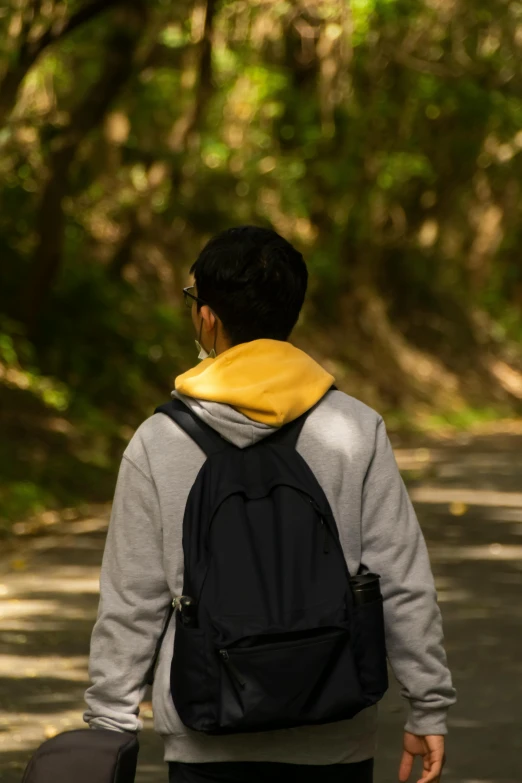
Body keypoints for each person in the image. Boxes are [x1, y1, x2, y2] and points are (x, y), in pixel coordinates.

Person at [84, 225, 456, 783]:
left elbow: (131, 601)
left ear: (207, 317)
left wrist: (109, 729)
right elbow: (400, 577)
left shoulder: (158, 443)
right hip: (335, 729)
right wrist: (427, 703)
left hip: (206, 727)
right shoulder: (354, 428)